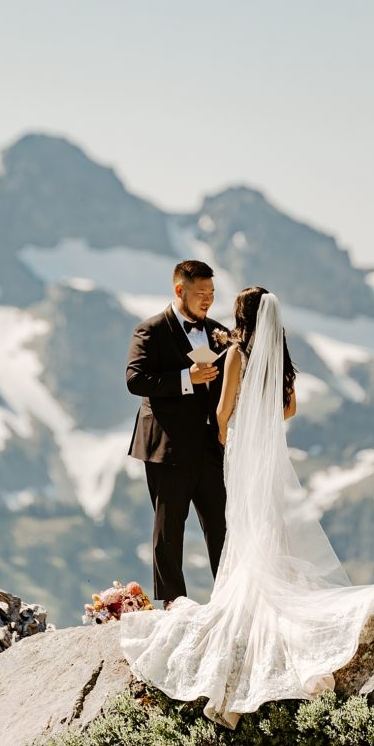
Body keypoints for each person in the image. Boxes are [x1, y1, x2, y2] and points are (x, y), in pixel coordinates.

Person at [121, 286, 374, 725]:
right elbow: (289, 409)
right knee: (267, 530)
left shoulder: (238, 356)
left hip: (242, 456)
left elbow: (222, 414)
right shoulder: (281, 362)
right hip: (270, 456)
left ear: (241, 317)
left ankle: (246, 624)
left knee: (243, 529)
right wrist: (260, 421)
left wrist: (231, 431)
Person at [126, 260, 228, 606]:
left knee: (223, 525)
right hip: (167, 448)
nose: (208, 300)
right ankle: (172, 603)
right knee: (169, 528)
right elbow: (135, 380)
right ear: (180, 290)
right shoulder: (151, 330)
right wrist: (187, 379)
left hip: (210, 446)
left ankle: (231, 596)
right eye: (201, 294)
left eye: (212, 294)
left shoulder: (218, 331)